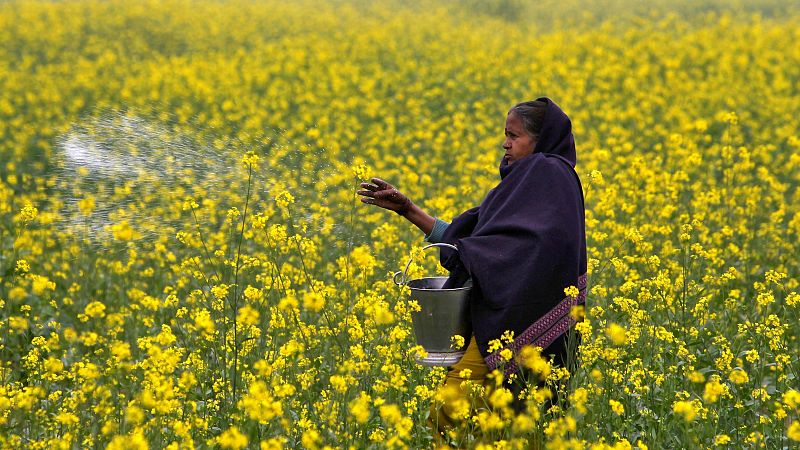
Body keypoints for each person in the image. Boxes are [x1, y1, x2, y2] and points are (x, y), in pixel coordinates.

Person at [357, 97, 587, 435]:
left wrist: (473, 253)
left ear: (540, 140)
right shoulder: (528, 180)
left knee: (457, 414)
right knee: (495, 426)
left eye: (514, 136)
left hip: (520, 321)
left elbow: (524, 247)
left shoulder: (547, 173)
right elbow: (480, 238)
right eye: (505, 135)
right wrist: (408, 209)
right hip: (503, 321)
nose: (505, 144)